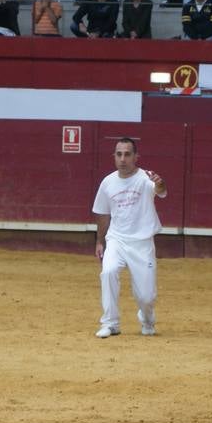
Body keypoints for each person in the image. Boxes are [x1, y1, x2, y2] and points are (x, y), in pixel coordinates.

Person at [93, 136, 166, 338]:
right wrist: (100, 241)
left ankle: (147, 318)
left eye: (127, 154)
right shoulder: (108, 182)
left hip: (142, 243)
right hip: (116, 239)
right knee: (108, 272)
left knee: (146, 296)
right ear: (114, 157)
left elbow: (161, 191)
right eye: (119, 154)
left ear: (136, 157)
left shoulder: (146, 178)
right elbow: (102, 212)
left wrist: (160, 184)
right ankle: (111, 323)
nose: (122, 159)